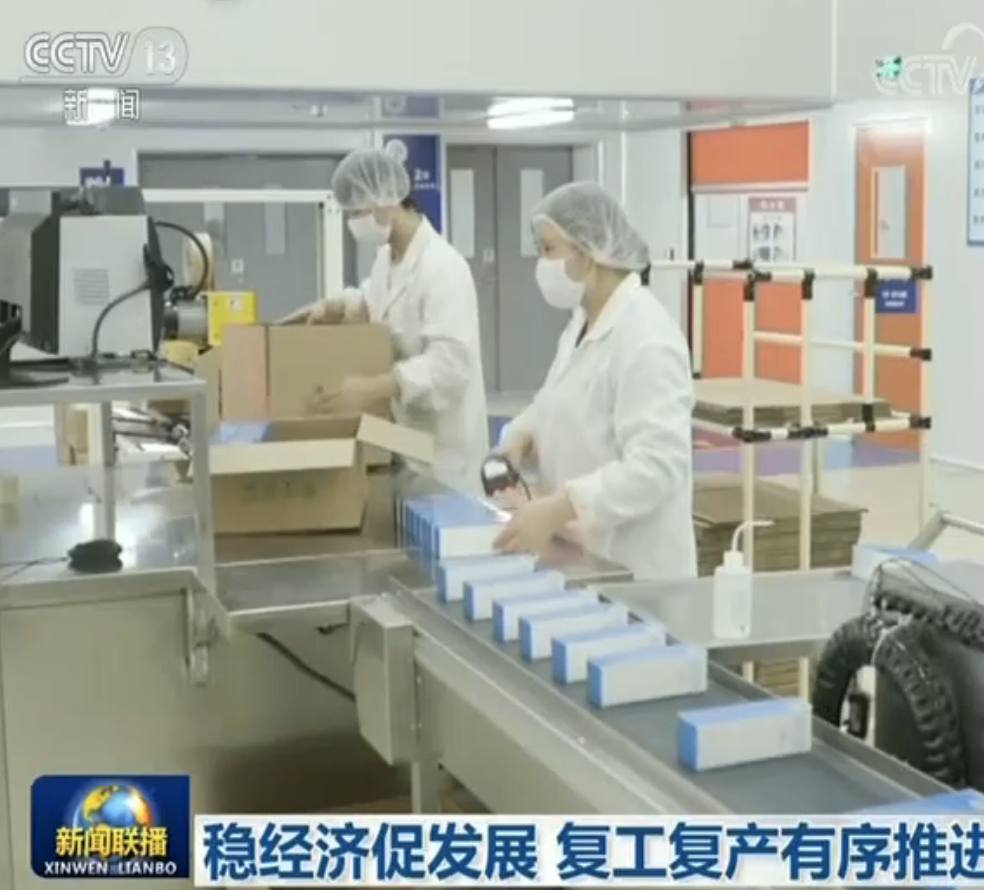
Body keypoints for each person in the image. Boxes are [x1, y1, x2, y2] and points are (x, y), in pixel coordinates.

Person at [493, 182, 697, 581]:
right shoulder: (581, 323)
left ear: (589, 253)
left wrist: (561, 507)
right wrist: (519, 438)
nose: (541, 264)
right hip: (584, 556)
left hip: (638, 572)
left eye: (549, 249)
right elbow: (553, 400)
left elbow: (656, 466)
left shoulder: (647, 339)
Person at [287, 148, 489, 495]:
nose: (355, 221)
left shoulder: (443, 268)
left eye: (359, 211)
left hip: (445, 455)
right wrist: (337, 305)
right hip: (407, 442)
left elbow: (451, 367)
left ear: (387, 199)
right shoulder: (386, 260)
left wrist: (371, 389)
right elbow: (375, 302)